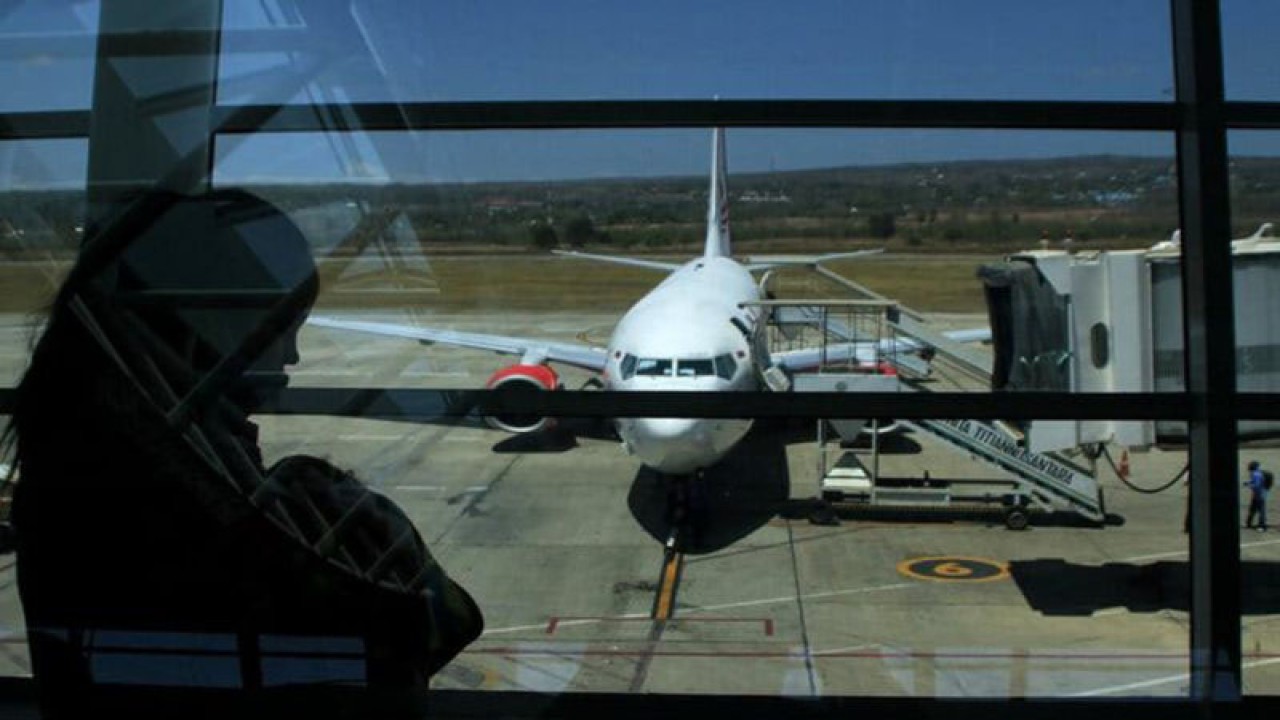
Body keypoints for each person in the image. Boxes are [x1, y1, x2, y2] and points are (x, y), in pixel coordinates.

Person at [1, 189, 482, 718]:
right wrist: (328, 494)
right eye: (283, 329)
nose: (294, 355)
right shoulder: (286, 516)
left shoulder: (58, 492)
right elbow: (444, 622)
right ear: (219, 325)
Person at [1245, 460, 1269, 532]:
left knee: (1260, 511)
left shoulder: (1256, 474)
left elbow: (1256, 485)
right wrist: (1249, 482)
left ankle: (1262, 526)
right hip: (1258, 495)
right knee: (1253, 509)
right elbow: (1254, 482)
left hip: (1259, 495)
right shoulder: (1256, 473)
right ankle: (1249, 523)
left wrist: (1249, 485)